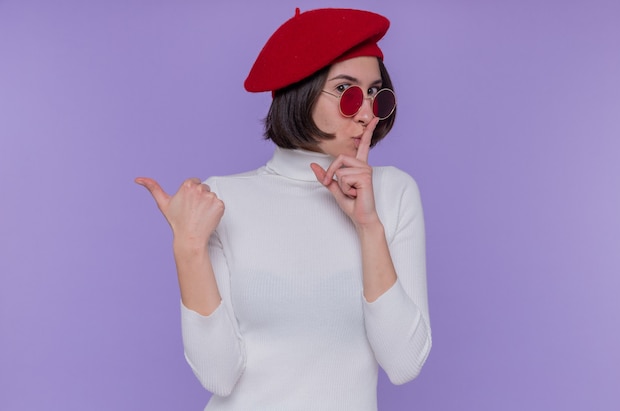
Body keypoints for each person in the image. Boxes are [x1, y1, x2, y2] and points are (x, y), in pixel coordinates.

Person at [136, 7, 431, 411]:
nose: (365, 114)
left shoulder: (393, 192)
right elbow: (219, 375)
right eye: (346, 92)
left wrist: (368, 227)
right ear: (300, 91)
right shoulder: (223, 199)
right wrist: (188, 249)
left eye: (376, 94)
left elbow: (403, 362)